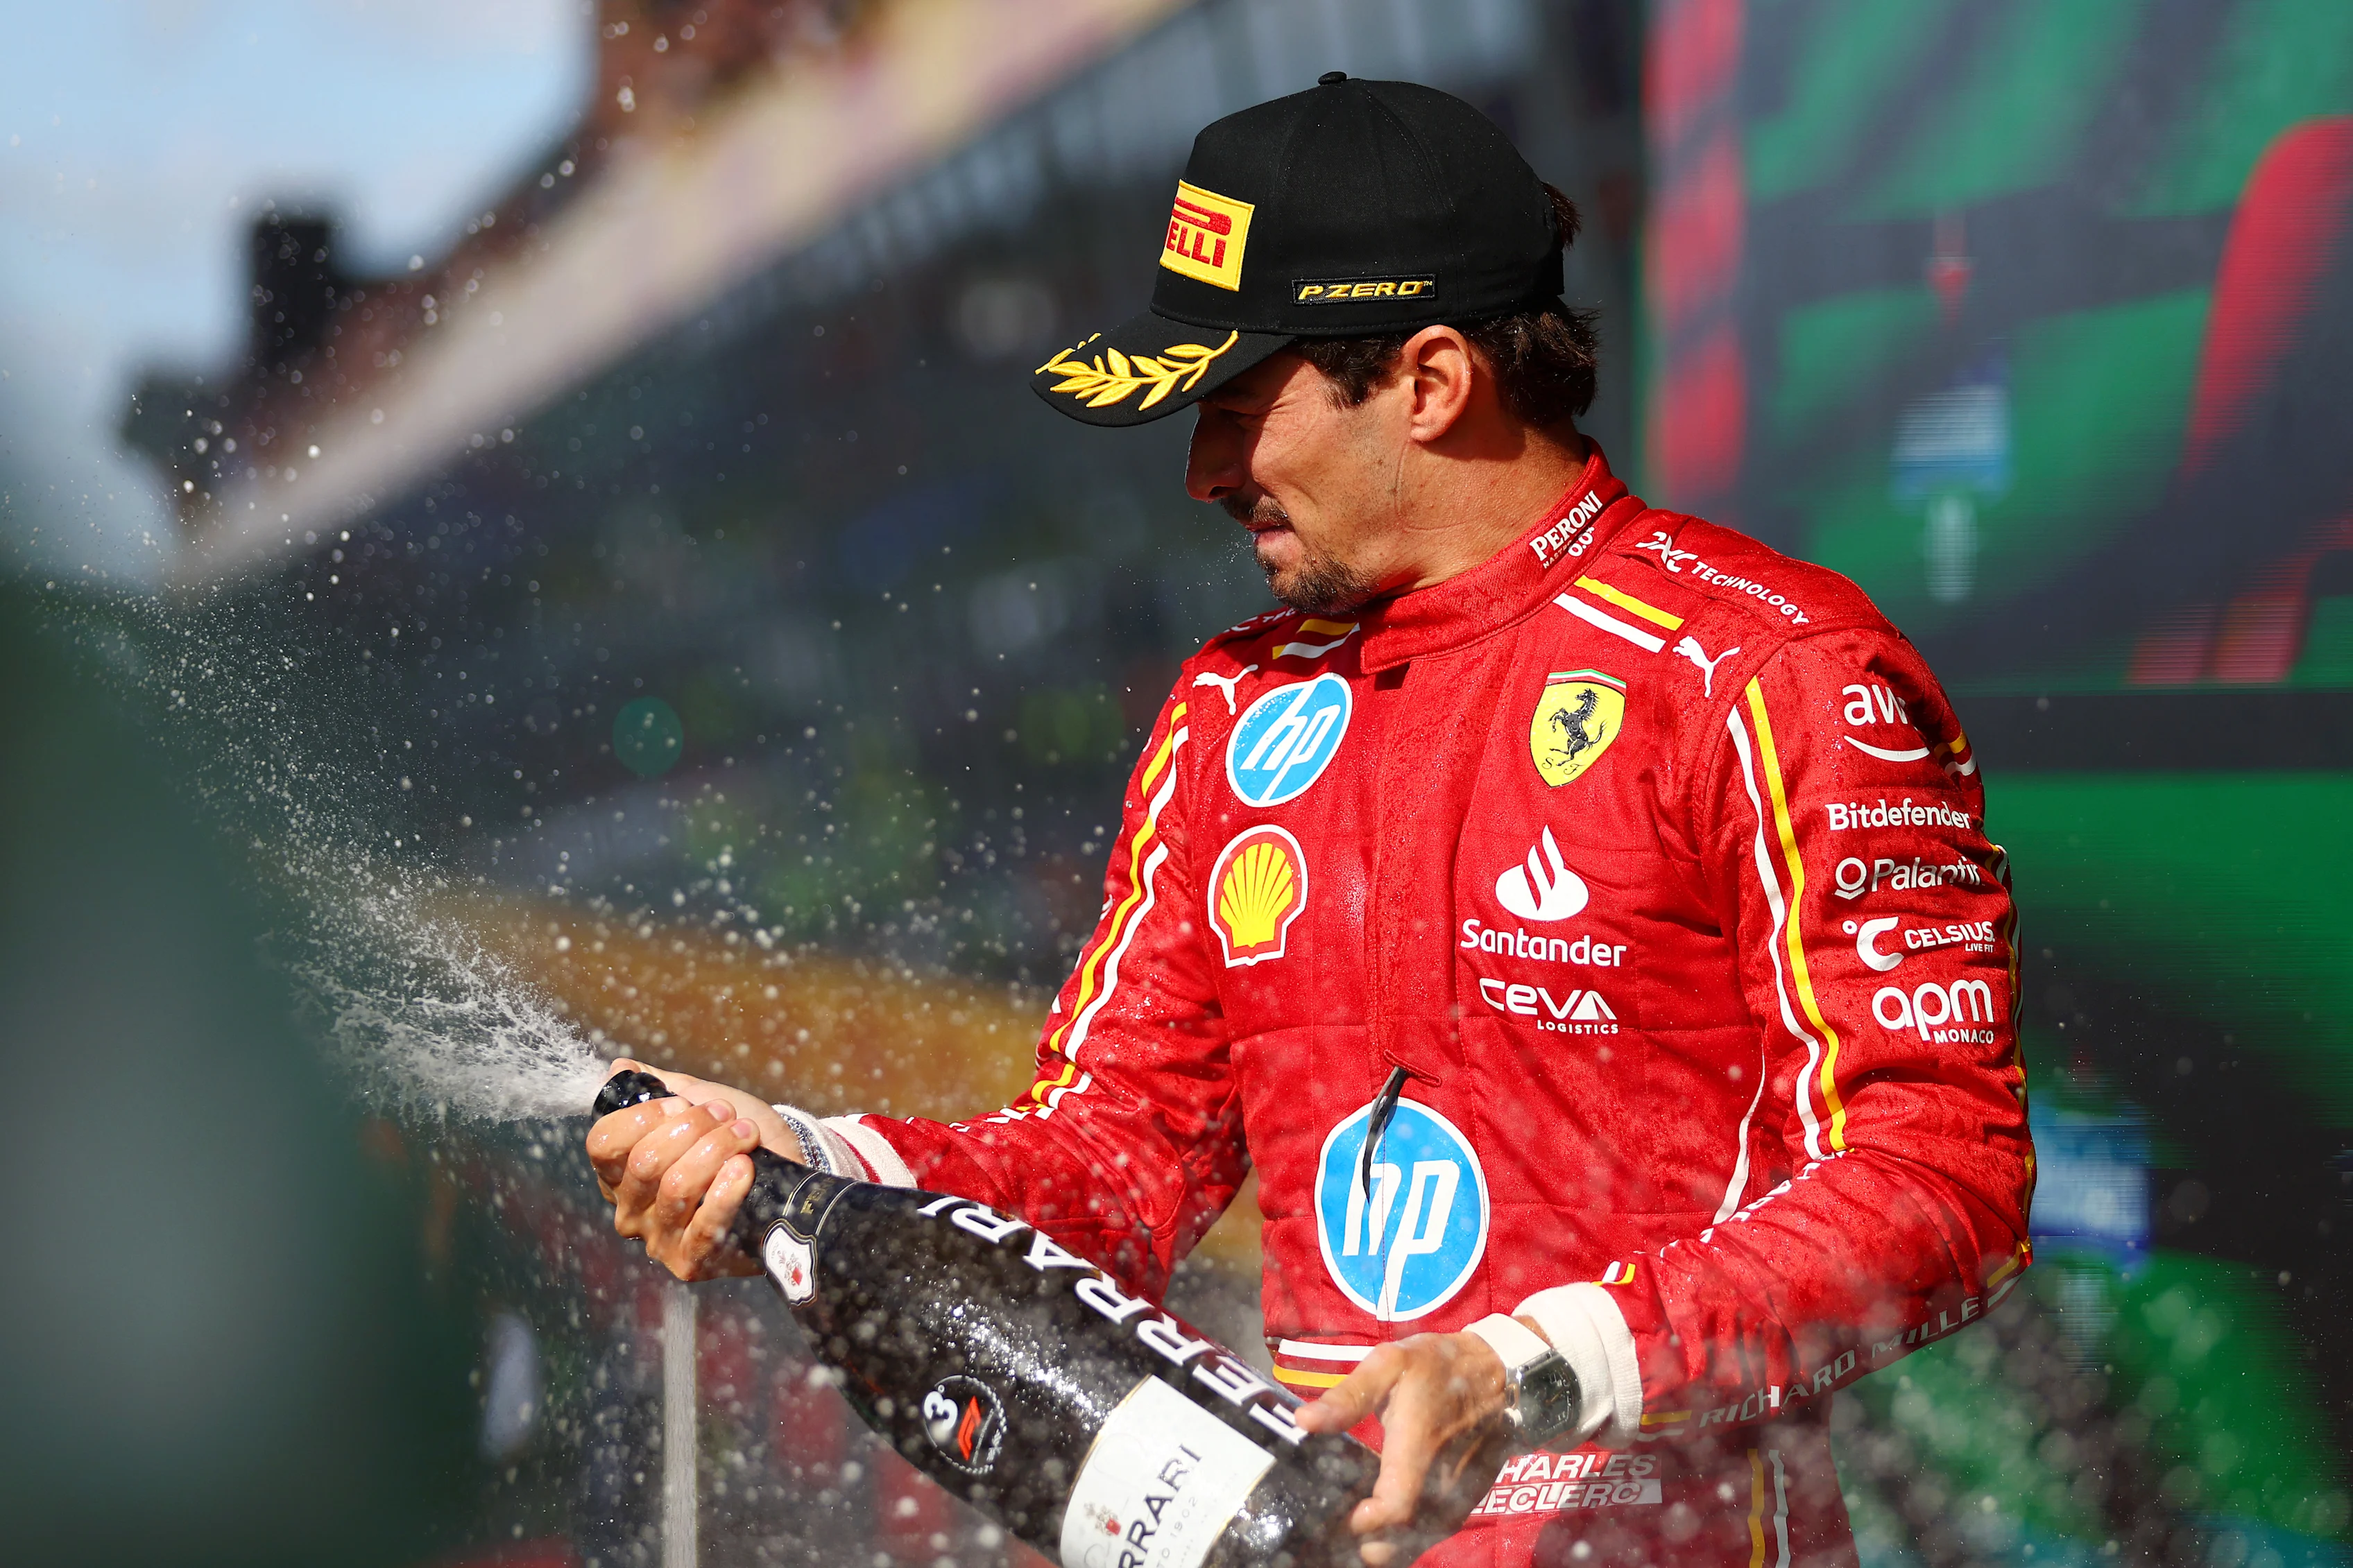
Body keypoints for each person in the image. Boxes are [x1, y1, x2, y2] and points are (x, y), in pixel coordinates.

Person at [587, 76, 2033, 1568]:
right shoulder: (1231, 703)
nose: (1204, 471)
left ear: (1427, 379)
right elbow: (1117, 1162)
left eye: (1234, 402)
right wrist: (814, 1160)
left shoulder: (1770, 667)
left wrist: (1524, 1365)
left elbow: (1945, 1178)